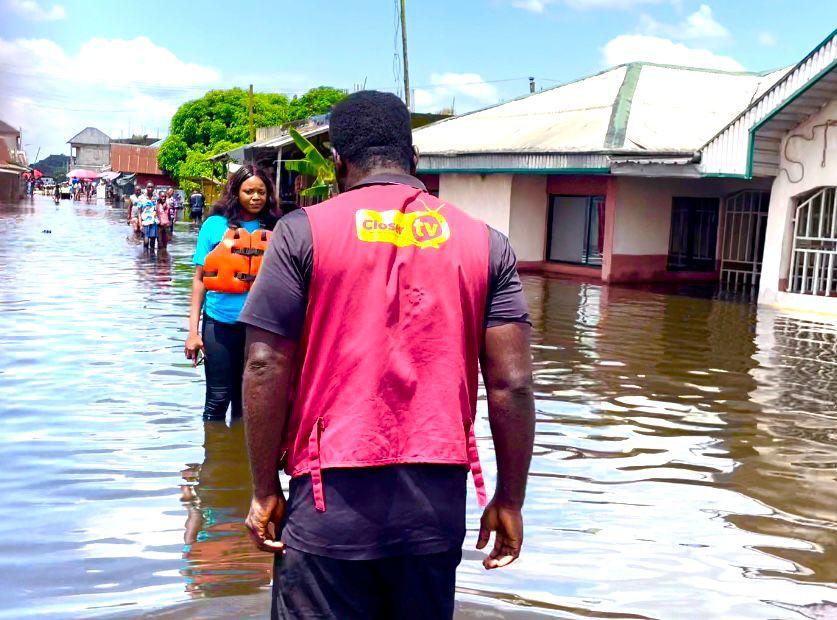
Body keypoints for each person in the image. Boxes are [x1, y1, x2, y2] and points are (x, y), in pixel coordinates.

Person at [238, 91, 536, 620]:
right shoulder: (486, 243)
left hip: (331, 499)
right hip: (436, 506)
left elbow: (265, 364)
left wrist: (264, 489)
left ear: (337, 162)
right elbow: (512, 384)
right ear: (414, 160)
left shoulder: (301, 232)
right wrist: (509, 499)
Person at [183, 165, 278, 421]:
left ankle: (239, 458)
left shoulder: (278, 227)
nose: (256, 197)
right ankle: (214, 459)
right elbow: (199, 281)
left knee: (248, 402)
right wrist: (192, 333)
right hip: (219, 324)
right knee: (217, 399)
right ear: (236, 192)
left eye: (261, 192)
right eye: (249, 191)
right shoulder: (214, 226)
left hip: (260, 328)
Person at [139, 182, 159, 250]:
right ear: (146, 187)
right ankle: (145, 258)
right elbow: (139, 212)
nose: (150, 189)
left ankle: (151, 259)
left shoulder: (156, 198)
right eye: (148, 187)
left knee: (153, 243)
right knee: (146, 242)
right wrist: (140, 224)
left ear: (154, 188)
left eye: (151, 187)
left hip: (154, 222)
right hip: (145, 222)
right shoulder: (141, 198)